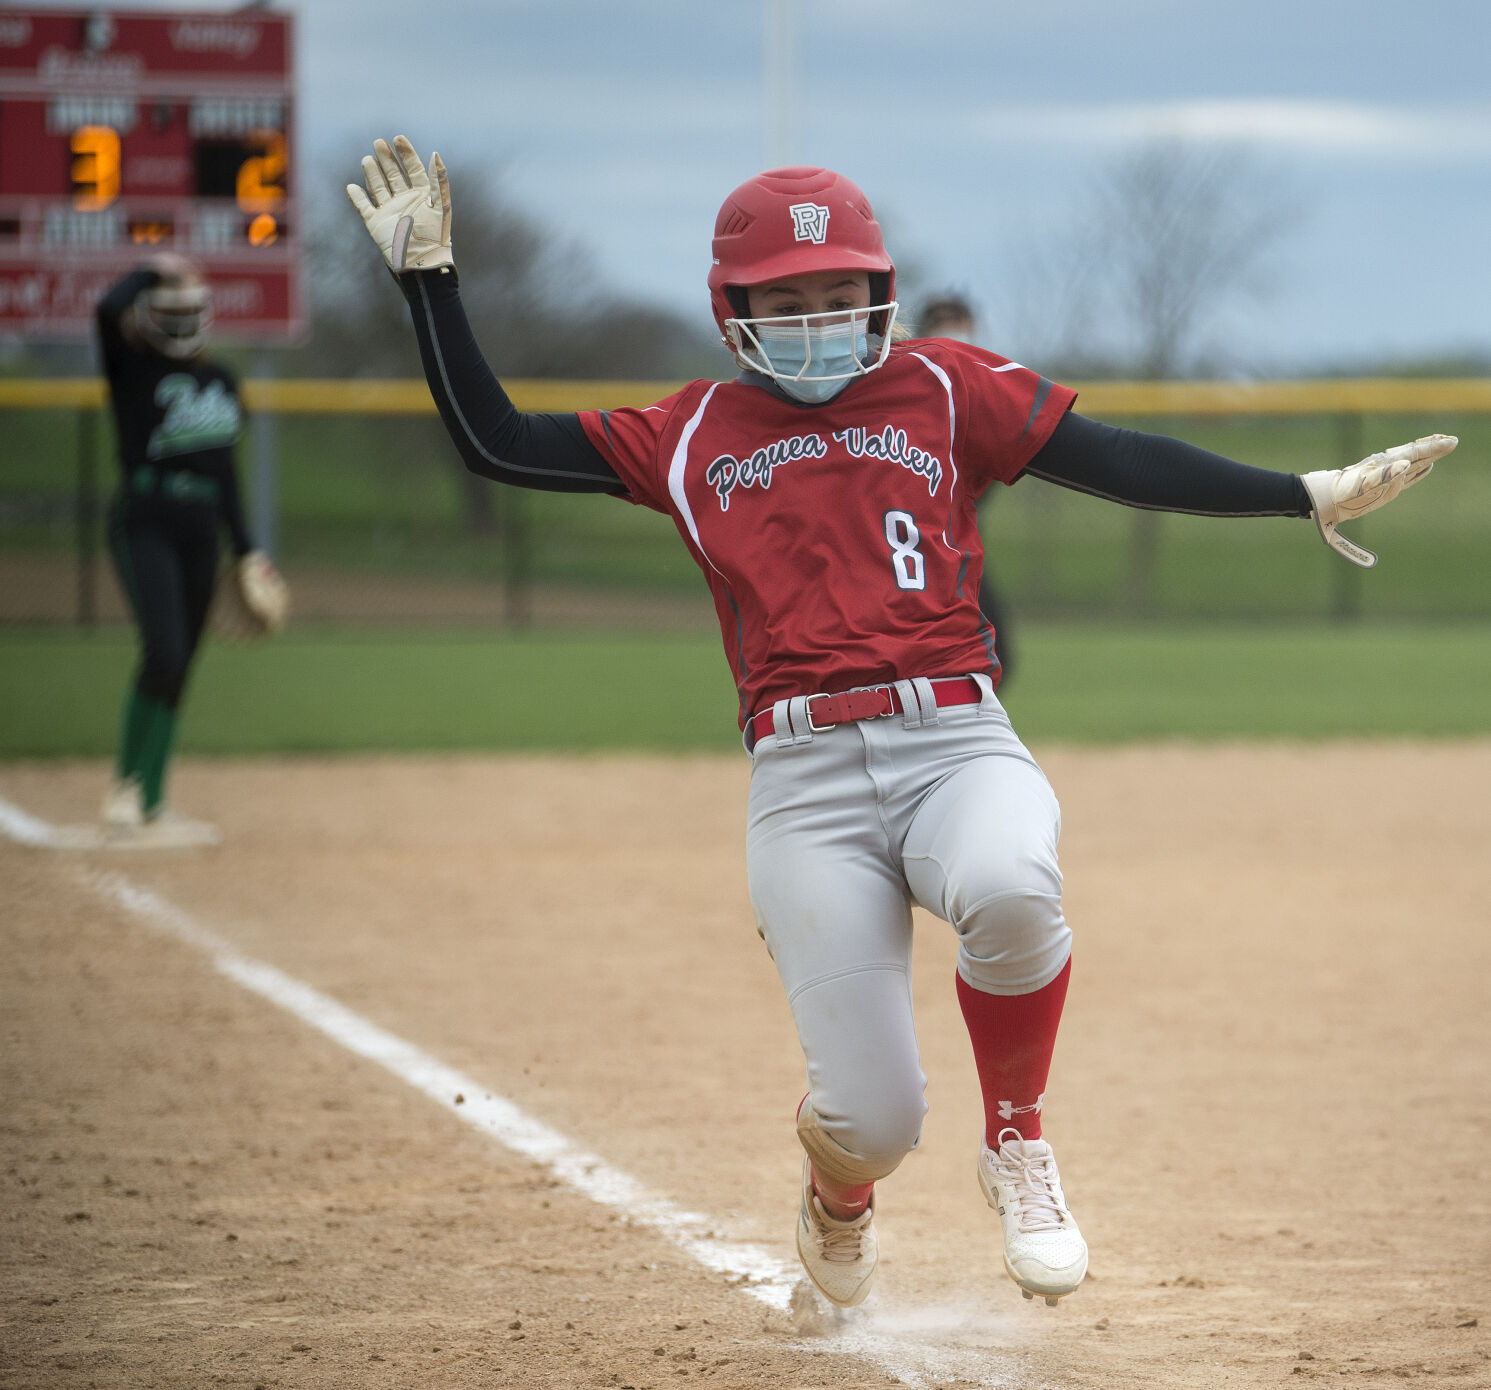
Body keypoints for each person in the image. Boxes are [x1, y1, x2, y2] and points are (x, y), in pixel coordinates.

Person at [347, 139, 1455, 1310]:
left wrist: (1302, 492)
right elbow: (499, 441)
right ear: (735, 311)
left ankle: (1018, 1140)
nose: (819, 316)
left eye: (840, 293)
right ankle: (840, 1198)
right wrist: (432, 280)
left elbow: (1115, 457)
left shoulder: (941, 383)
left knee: (1016, 880)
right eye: (789, 299)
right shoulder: (688, 430)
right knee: (874, 1121)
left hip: (956, 741)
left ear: (878, 293)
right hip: (804, 780)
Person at [95, 255, 262, 847]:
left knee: (182, 663)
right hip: (145, 520)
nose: (183, 320)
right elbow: (105, 309)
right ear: (149, 317)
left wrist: (247, 550)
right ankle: (124, 786)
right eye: (172, 311)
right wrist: (152, 269)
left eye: (191, 310)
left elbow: (227, 472)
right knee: (163, 650)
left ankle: (153, 802)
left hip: (200, 529)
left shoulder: (222, 379)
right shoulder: (132, 369)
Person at [916, 293, 1020, 685]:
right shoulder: (908, 393)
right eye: (944, 322)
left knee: (997, 657)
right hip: (912, 559)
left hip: (959, 554)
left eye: (959, 322)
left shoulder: (976, 392)